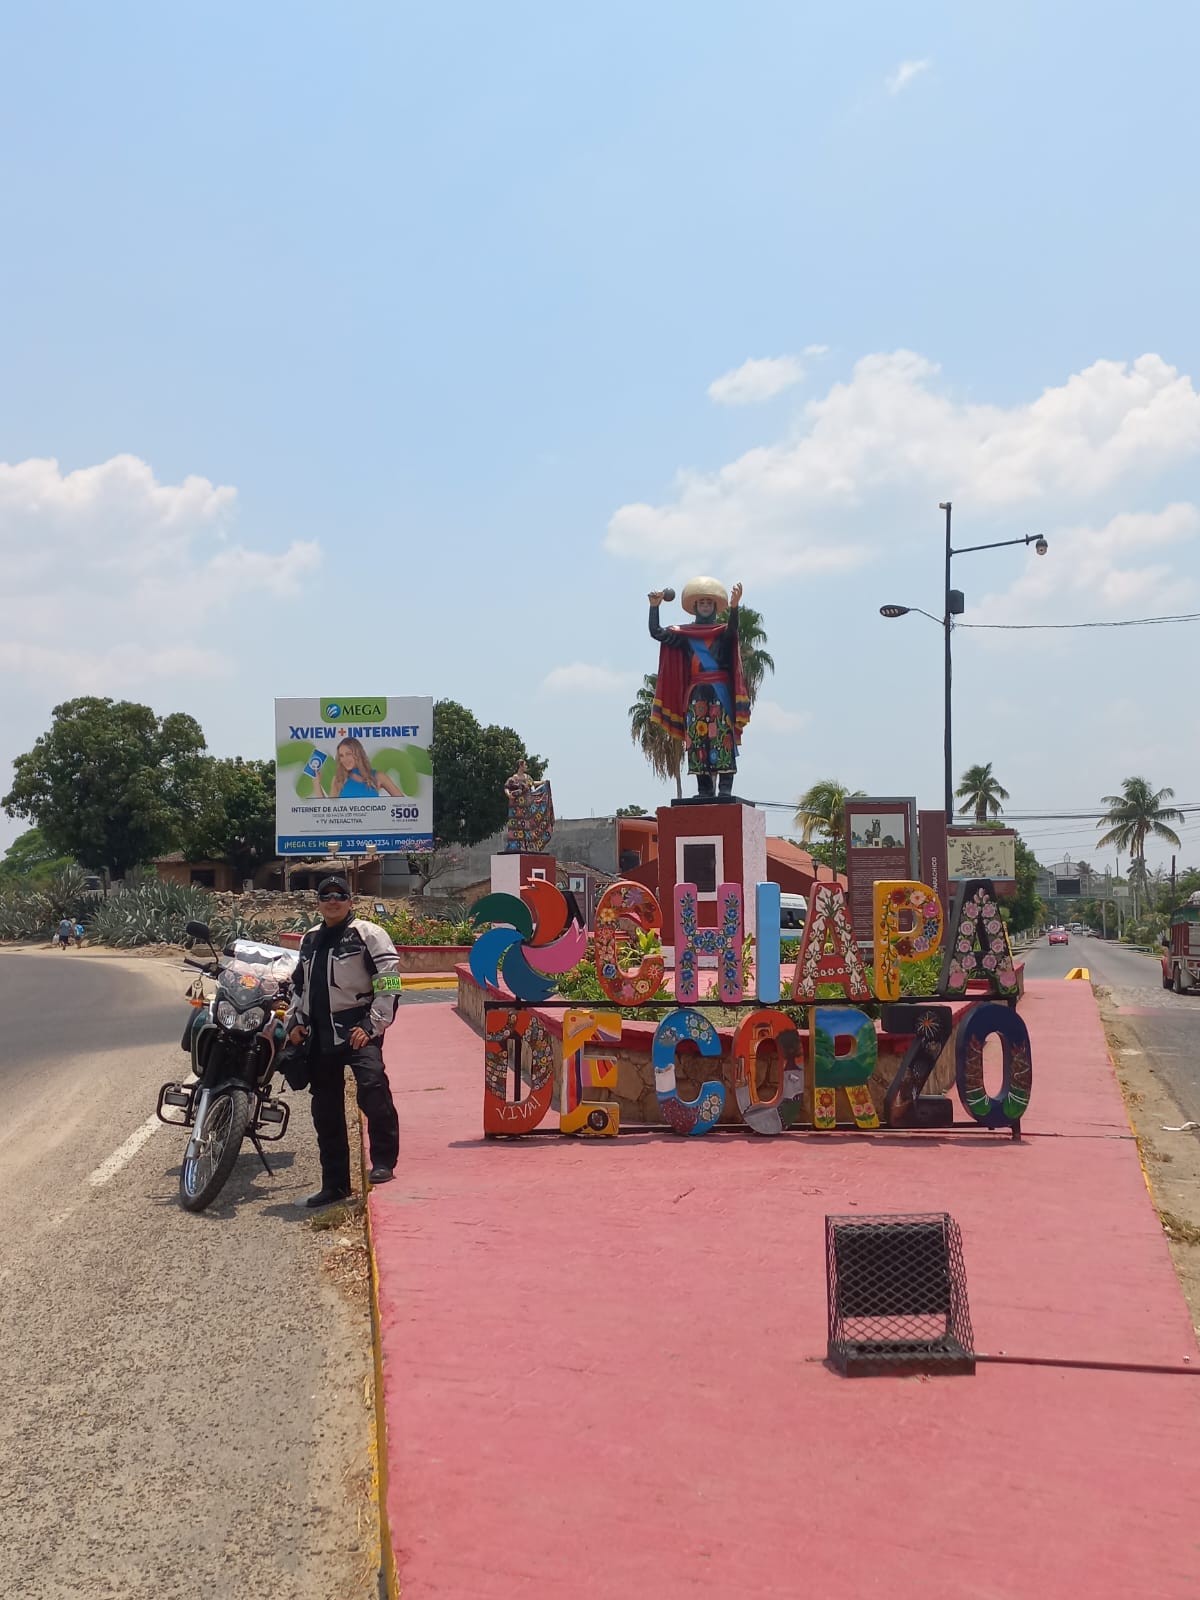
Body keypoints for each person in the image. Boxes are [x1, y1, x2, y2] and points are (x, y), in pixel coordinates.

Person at [284, 874, 403, 1208]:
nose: (333, 901)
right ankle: (335, 1185)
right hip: (319, 1034)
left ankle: (383, 1161)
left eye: (339, 895)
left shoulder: (369, 934)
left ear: (351, 901)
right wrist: (295, 1020)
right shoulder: (309, 939)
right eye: (326, 896)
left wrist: (372, 1025)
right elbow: (298, 986)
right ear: (318, 903)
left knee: (373, 1087)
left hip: (357, 1029)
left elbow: (389, 981)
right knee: (325, 1110)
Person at [648, 577, 751, 800]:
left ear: (714, 607)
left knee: (722, 737)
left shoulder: (723, 633)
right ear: (695, 607)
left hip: (719, 693)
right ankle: (704, 789)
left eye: (709, 603)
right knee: (697, 740)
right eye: (701, 603)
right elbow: (657, 632)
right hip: (696, 694)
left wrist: (734, 608)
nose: (705, 606)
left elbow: (733, 630)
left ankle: (725, 788)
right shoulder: (685, 636)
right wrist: (654, 608)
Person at [310, 737, 405, 800]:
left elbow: (403, 804)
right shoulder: (339, 779)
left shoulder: (379, 776)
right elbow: (327, 811)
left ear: (358, 754)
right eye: (341, 756)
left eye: (348, 754)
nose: (344, 759)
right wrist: (316, 783)